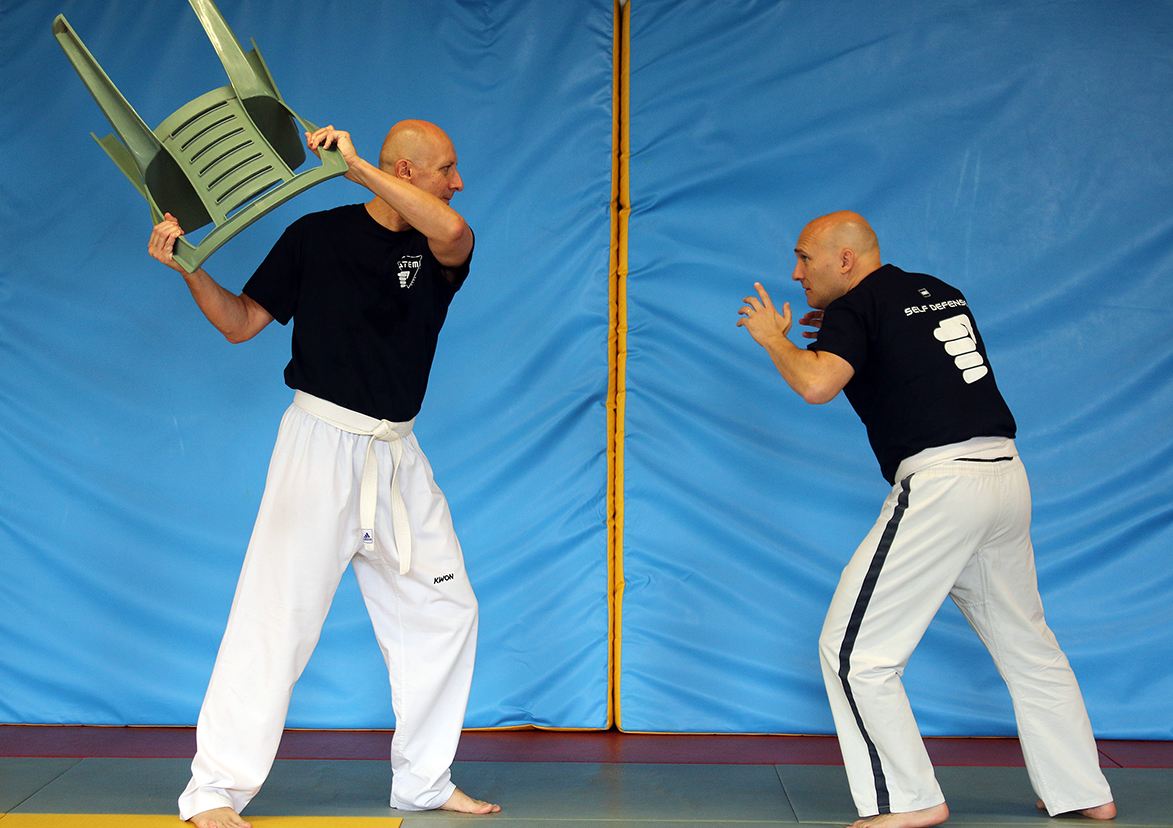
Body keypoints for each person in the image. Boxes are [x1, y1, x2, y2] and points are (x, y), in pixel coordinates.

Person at [149, 120, 500, 828]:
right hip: (318, 444)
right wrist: (188, 265)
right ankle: (214, 791)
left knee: (446, 612)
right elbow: (242, 322)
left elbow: (453, 229)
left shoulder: (443, 246)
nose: (457, 180)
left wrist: (357, 167)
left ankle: (424, 781)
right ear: (409, 170)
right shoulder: (316, 237)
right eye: (446, 169)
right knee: (273, 618)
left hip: (398, 454)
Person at [736, 211, 1115, 828]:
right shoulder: (938, 291)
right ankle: (1084, 790)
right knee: (1029, 647)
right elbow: (912, 360)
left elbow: (816, 386)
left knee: (853, 652)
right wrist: (839, 329)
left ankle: (907, 800)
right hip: (1005, 476)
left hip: (945, 485)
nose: (796, 272)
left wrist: (775, 340)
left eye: (806, 258)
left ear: (846, 261)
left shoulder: (857, 308)